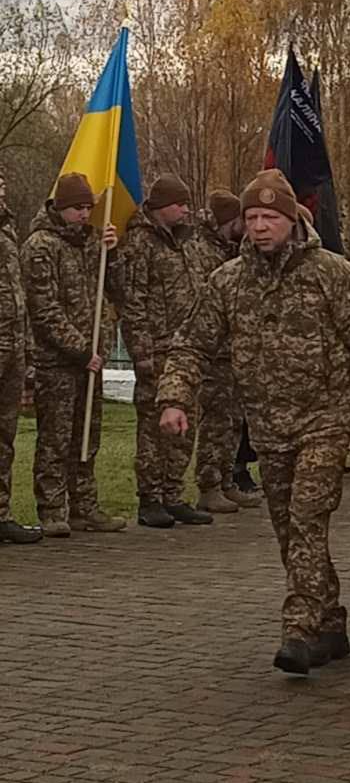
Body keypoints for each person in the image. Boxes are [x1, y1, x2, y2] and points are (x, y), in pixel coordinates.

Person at [159, 170, 350, 675]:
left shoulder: (333, 273)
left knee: (307, 517)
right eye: (253, 218)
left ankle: (299, 628)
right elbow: (191, 343)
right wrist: (174, 398)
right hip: (267, 427)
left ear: (292, 220)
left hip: (324, 422)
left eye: (271, 217)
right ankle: (331, 622)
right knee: (290, 530)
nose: (260, 227)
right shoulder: (228, 281)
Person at [20, 172, 124, 537]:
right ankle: (52, 508)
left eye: (88, 208)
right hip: (57, 362)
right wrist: (82, 349)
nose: (84, 215)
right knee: (56, 437)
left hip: (91, 361)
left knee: (87, 435)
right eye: (78, 208)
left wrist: (112, 255)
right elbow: (45, 310)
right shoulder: (41, 246)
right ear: (60, 207)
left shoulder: (93, 243)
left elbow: (115, 291)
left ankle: (84, 504)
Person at [115, 174, 210, 529]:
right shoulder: (140, 243)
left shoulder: (185, 242)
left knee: (186, 422)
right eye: (179, 204)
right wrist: (141, 350)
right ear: (160, 207)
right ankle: (150, 496)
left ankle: (173, 492)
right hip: (155, 349)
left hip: (187, 351)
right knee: (154, 427)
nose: (186, 210)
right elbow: (132, 301)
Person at [185, 189, 259, 514]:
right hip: (215, 352)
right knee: (215, 419)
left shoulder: (230, 251)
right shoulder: (201, 252)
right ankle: (209, 482)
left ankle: (228, 478)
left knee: (233, 420)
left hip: (236, 351)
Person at [0, 173, 39, 544]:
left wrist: (25, 351)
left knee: (5, 435)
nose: (2, 188)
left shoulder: (8, 231)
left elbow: (17, 295)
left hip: (10, 348)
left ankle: (1, 512)